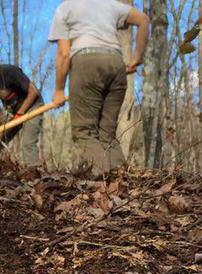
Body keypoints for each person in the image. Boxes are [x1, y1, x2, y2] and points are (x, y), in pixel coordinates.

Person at [48, 0, 150, 174]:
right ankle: (123, 182)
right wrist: (137, 57)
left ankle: (108, 179)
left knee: (84, 131)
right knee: (107, 134)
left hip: (86, 62)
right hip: (116, 63)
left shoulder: (65, 8)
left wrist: (58, 90)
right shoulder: (110, 4)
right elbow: (144, 20)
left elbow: (64, 54)